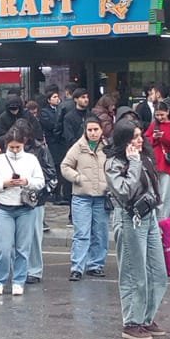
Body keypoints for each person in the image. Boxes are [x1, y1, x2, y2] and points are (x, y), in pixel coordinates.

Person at [104, 119, 166, 339]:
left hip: (148, 217)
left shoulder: (145, 156)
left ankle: (146, 317)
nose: (140, 140)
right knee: (134, 273)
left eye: (141, 136)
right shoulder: (115, 163)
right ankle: (131, 321)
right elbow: (124, 192)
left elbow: (153, 190)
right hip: (129, 217)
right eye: (135, 137)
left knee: (157, 272)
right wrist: (134, 164)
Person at [0, 125, 44, 297]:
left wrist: (26, 181)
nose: (15, 150)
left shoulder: (31, 159)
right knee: (3, 248)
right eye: (12, 147)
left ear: (24, 144)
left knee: (22, 248)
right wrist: (4, 183)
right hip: (4, 208)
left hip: (26, 208)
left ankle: (19, 280)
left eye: (18, 147)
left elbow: (40, 182)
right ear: (6, 145)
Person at [60, 116, 109, 281]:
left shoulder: (107, 148)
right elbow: (65, 166)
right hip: (81, 197)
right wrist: (78, 177)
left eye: (96, 129)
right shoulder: (78, 147)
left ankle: (96, 265)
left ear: (101, 130)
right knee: (81, 233)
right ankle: (77, 267)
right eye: (90, 130)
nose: (93, 133)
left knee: (100, 233)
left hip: (101, 198)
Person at [144, 100, 170, 217]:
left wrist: (163, 137)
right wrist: (155, 137)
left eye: (162, 114)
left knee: (166, 197)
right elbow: (145, 141)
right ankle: (158, 224)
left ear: (167, 112)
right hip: (156, 164)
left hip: (168, 165)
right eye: (157, 115)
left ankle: (162, 222)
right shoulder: (154, 125)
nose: (160, 117)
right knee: (157, 196)